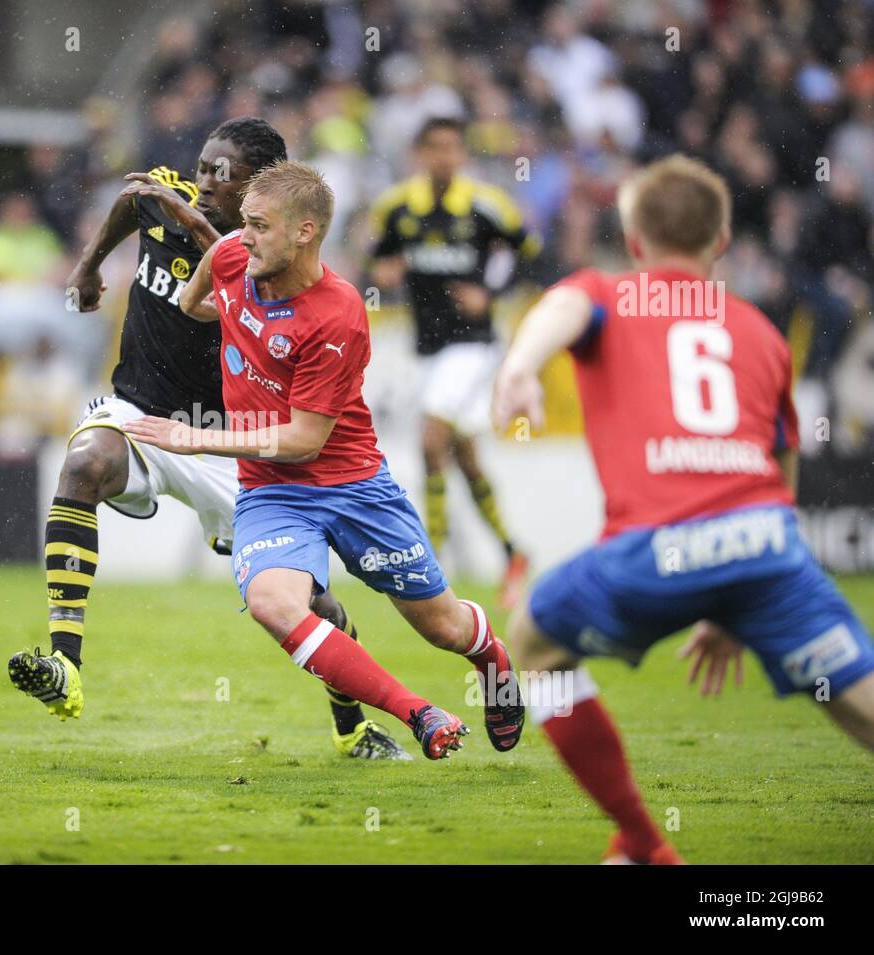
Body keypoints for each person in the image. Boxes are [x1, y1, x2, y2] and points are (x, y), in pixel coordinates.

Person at [491, 154, 874, 864]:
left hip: (657, 548)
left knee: (535, 644)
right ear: (721, 240)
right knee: (856, 701)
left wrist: (519, 367)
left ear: (634, 240)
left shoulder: (607, 292)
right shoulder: (759, 331)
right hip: (767, 545)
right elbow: (780, 460)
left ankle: (643, 841)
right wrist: (735, 604)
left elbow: (564, 308)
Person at [10, 119, 410, 759]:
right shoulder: (171, 199)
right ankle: (65, 663)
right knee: (84, 463)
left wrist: (191, 221)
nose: (203, 183)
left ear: (264, 193)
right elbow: (127, 202)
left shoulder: (272, 262)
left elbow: (228, 264)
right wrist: (89, 267)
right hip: (140, 415)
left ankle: (352, 724)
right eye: (202, 167)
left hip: (227, 445)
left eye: (222, 177)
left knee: (307, 606)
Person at [125, 160, 525, 760]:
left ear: (304, 232)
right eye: (244, 224)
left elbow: (304, 440)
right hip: (273, 492)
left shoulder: (338, 313)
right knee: (272, 605)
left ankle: (492, 660)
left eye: (260, 226)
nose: (243, 236)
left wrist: (197, 438)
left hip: (354, 486)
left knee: (444, 628)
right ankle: (418, 712)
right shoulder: (235, 254)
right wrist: (233, 310)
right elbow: (192, 301)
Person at [369, 117, 539, 608]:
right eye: (434, 148)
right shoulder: (397, 207)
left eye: (452, 148)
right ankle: (514, 553)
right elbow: (379, 257)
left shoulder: (487, 205)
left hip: (474, 346)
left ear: (462, 154)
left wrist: (492, 292)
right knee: (464, 458)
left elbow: (531, 252)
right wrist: (384, 271)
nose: (444, 157)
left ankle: (430, 563)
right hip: (426, 348)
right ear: (420, 154)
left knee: (430, 441)